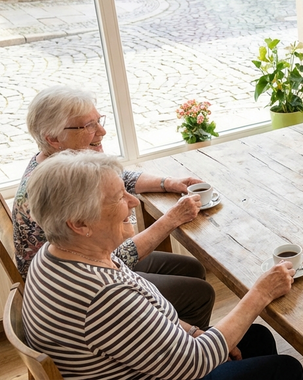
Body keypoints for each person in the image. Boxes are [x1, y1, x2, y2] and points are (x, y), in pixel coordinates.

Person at [22, 151, 303, 380]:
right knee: (286, 368)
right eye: (120, 197)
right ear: (80, 223)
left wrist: (194, 331)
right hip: (174, 370)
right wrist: (261, 293)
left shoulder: (54, 254)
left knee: (255, 337)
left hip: (140, 363)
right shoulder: (103, 296)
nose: (133, 201)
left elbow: (124, 262)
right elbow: (195, 362)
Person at [13, 85, 216, 327]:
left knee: (191, 268)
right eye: (88, 126)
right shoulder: (51, 187)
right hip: (77, 286)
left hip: (88, 260)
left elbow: (119, 179)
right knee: (199, 294)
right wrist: (171, 219)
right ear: (53, 138)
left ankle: (177, 334)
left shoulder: (56, 164)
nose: (102, 131)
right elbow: (114, 256)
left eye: (98, 120)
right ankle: (182, 350)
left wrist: (168, 182)